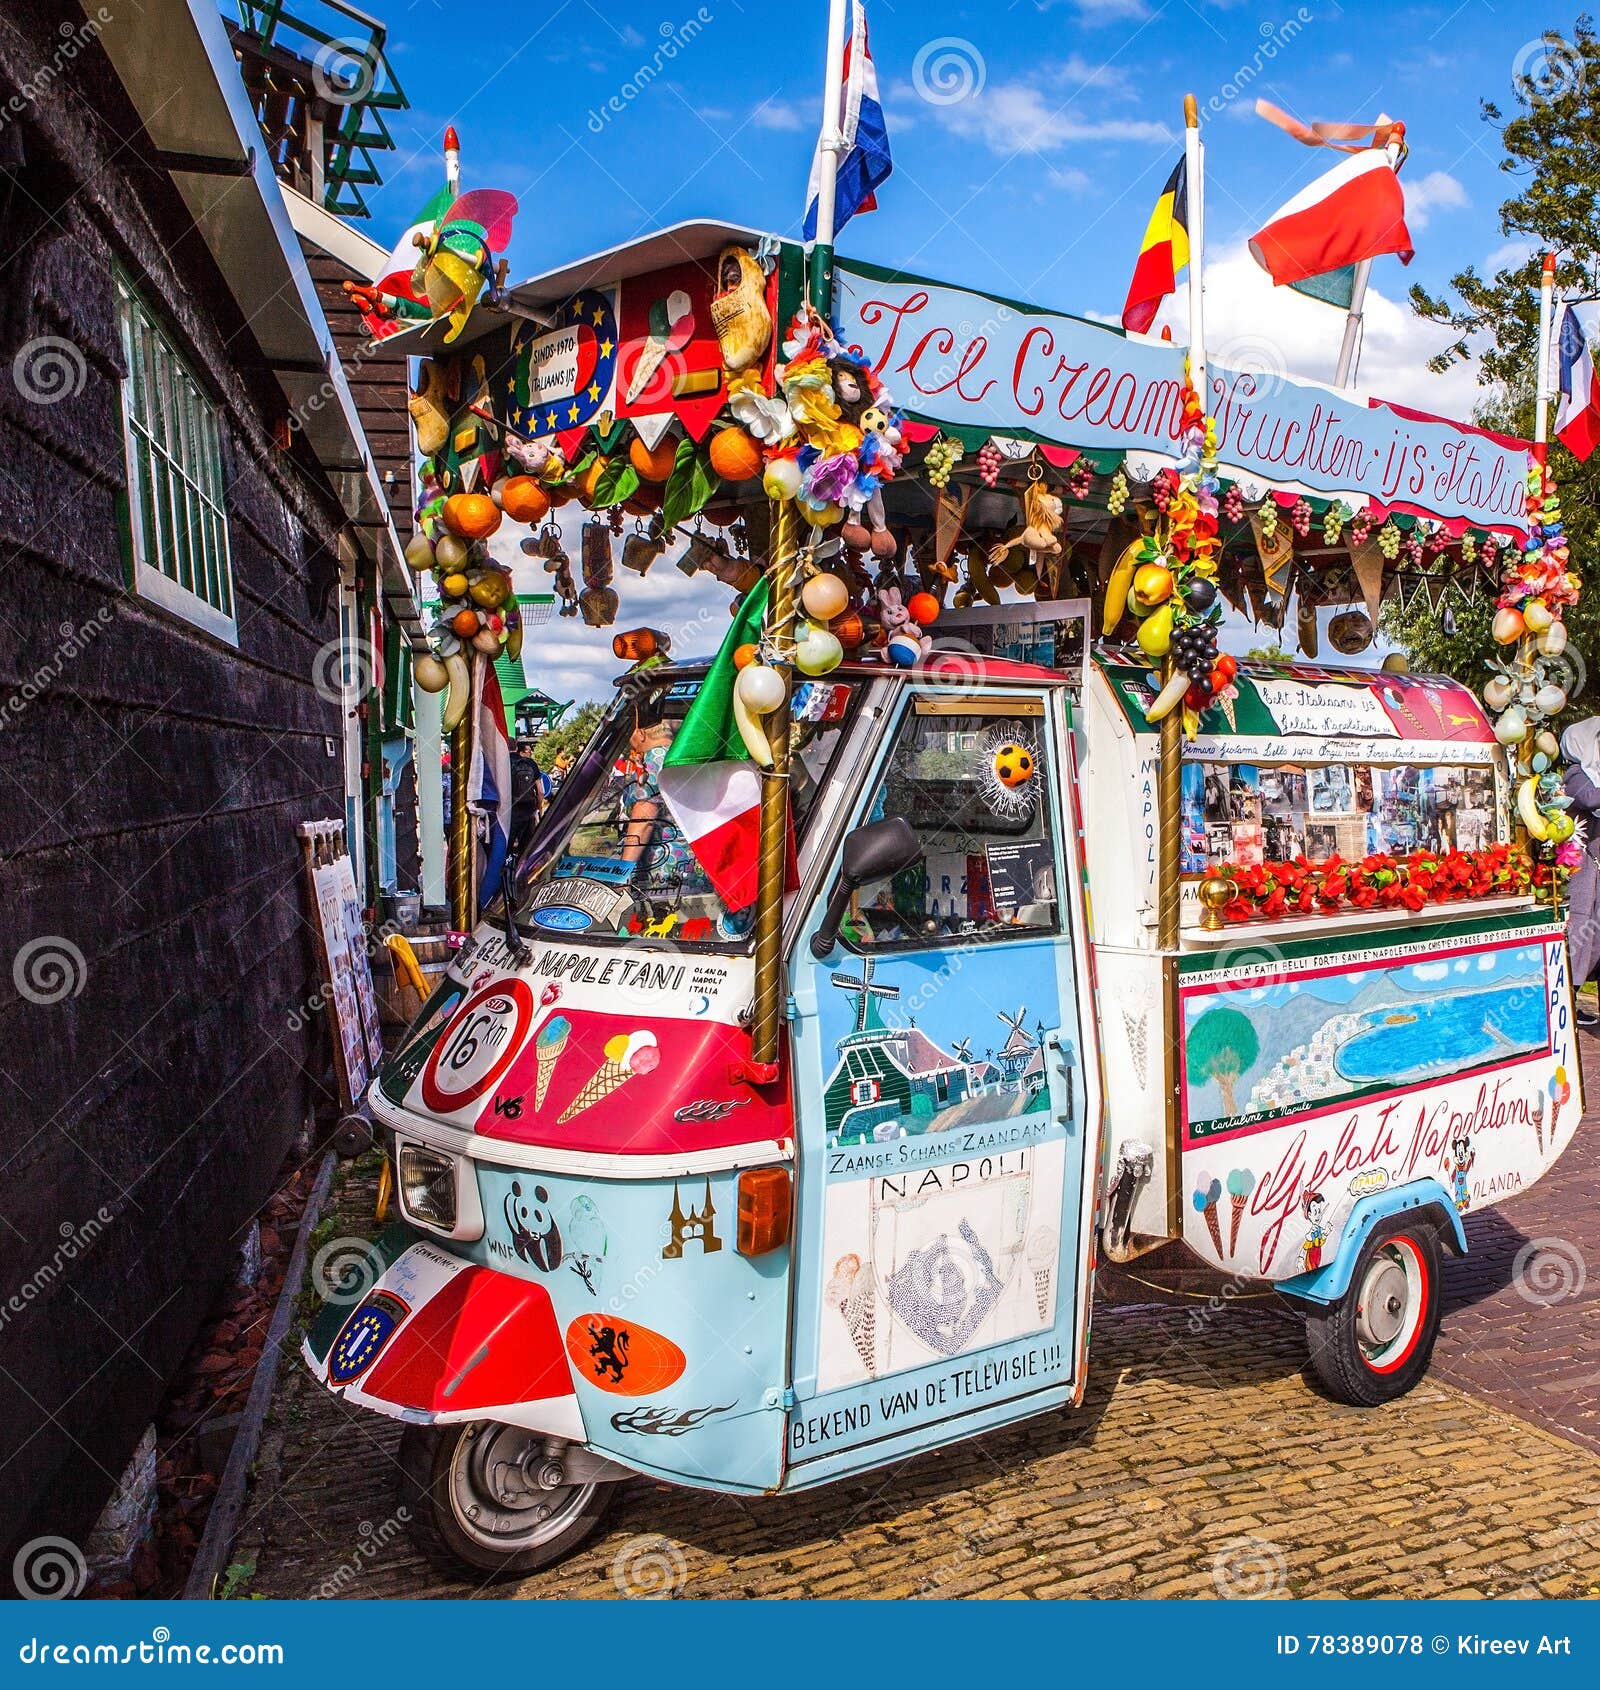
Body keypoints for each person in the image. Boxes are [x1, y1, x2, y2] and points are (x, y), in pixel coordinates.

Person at [1560, 717, 1600, 1026]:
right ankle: (1568, 1002)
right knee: (1580, 938)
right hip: (1584, 873)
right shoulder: (1576, 775)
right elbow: (1591, 798)